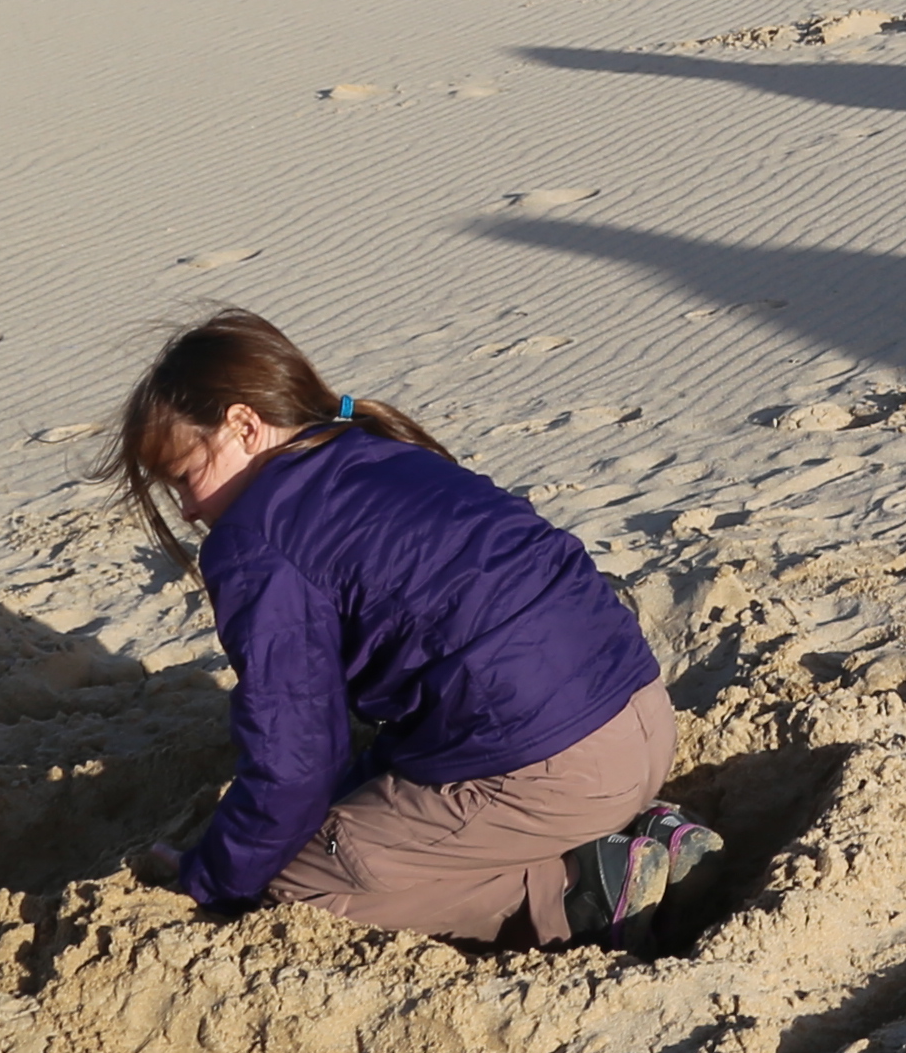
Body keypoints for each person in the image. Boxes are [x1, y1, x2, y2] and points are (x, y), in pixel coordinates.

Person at [110, 310, 697, 945]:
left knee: (299, 883)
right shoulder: (375, 448)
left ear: (245, 425)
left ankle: (580, 890)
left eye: (186, 477)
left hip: (558, 771)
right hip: (642, 716)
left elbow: (296, 762)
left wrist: (211, 881)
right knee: (363, 793)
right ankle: (647, 835)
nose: (190, 509)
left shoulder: (255, 536)